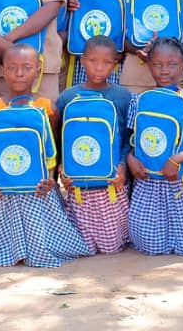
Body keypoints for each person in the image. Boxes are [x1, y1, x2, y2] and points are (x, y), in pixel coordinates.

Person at [0, 43, 91, 267]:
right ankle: (7, 246)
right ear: (3, 70)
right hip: (3, 186)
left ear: (37, 71)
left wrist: (51, 178)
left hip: (39, 186)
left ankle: (35, 247)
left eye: (26, 67)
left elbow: (53, 146)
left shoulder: (46, 106)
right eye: (12, 68)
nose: (19, 73)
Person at [126, 36, 183, 255]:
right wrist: (130, 159)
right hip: (148, 178)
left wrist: (176, 159)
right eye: (157, 64)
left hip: (180, 179)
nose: (164, 71)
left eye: (172, 65)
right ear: (148, 65)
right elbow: (132, 140)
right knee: (147, 242)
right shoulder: (140, 101)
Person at [56, 35, 133, 254]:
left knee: (112, 247)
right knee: (82, 246)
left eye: (106, 62)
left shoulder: (122, 96)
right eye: (93, 61)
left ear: (115, 64)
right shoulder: (68, 97)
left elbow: (129, 137)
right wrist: (62, 167)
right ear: (82, 61)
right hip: (79, 181)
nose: (99, 68)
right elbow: (61, 136)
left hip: (112, 181)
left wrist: (122, 166)